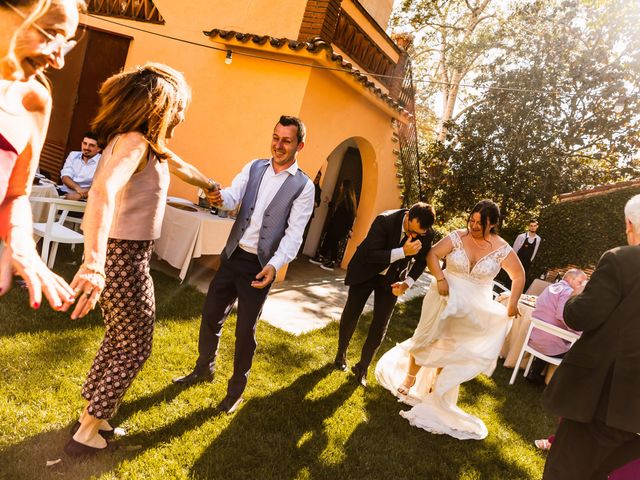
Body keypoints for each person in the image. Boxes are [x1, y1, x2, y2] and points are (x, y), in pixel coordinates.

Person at [65, 62, 219, 457]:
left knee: (119, 338)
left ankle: (91, 410)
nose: (183, 115)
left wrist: (210, 185)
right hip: (123, 256)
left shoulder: (145, 143)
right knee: (136, 346)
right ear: (163, 106)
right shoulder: (134, 143)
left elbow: (179, 165)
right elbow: (101, 192)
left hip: (125, 254)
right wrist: (94, 262)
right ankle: (86, 433)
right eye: (181, 107)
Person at [173, 115, 315, 414]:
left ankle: (236, 389)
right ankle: (204, 368)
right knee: (211, 314)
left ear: (299, 145)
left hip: (260, 266)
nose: (278, 145)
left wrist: (275, 266)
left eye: (286, 141)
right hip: (233, 255)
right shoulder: (254, 167)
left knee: (245, 331)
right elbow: (231, 198)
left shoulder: (304, 186)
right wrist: (215, 194)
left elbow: (294, 234)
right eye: (275, 137)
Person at [375, 199, 525, 440]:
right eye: (472, 220)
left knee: (453, 345)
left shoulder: (502, 248)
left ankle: (437, 387)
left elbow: (518, 275)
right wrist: (441, 279)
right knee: (427, 335)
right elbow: (432, 254)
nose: (474, 226)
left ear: (493, 224)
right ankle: (410, 378)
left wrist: (513, 303)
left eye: (480, 223)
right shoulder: (458, 236)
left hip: (473, 306)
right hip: (443, 295)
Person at [542, 194, 640, 479]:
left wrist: (576, 295)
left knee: (565, 471)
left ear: (629, 224)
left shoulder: (622, 259)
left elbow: (581, 315)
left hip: (605, 398)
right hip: (632, 413)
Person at [0, 0, 83, 311]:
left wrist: (21, 245)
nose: (59, 60)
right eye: (50, 34)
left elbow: (15, 195)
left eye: (66, 42)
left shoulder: (33, 101)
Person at [333, 202, 435, 387]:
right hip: (365, 270)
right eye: (411, 231)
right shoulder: (385, 221)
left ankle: (362, 368)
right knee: (351, 314)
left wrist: (407, 282)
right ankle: (341, 355)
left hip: (393, 280)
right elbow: (370, 254)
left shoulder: (427, 234)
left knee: (380, 324)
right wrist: (403, 252)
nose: (413, 236)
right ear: (407, 217)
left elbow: (421, 262)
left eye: (418, 235)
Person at [524, 268, 586, 384]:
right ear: (570, 279)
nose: (582, 286)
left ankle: (534, 373)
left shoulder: (550, 288)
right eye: (580, 282)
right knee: (580, 348)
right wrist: (580, 331)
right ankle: (561, 386)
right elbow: (563, 315)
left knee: (553, 336)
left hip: (534, 338)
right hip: (549, 344)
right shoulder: (568, 292)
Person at [309, 178, 357, 271]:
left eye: (342, 186)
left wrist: (348, 229)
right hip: (335, 226)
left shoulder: (348, 202)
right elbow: (337, 210)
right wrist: (330, 203)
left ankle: (332, 262)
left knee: (334, 243)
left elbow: (348, 217)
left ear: (345, 188)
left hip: (339, 228)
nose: (340, 187)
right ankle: (321, 257)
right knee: (328, 240)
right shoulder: (345, 200)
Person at [58, 131, 102, 200]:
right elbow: (65, 177)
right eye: (85, 143)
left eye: (91, 145)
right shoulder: (73, 155)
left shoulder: (102, 162)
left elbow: (100, 187)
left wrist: (80, 196)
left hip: (85, 199)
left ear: (99, 149)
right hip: (65, 193)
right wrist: (79, 189)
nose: (86, 148)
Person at [513, 219, 541, 287]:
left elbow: (535, 251)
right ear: (528, 226)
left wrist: (530, 260)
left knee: (521, 280)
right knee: (513, 277)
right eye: (531, 226)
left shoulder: (538, 239)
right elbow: (514, 250)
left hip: (527, 263)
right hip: (518, 261)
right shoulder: (521, 236)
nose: (533, 227)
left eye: (534, 226)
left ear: (537, 226)